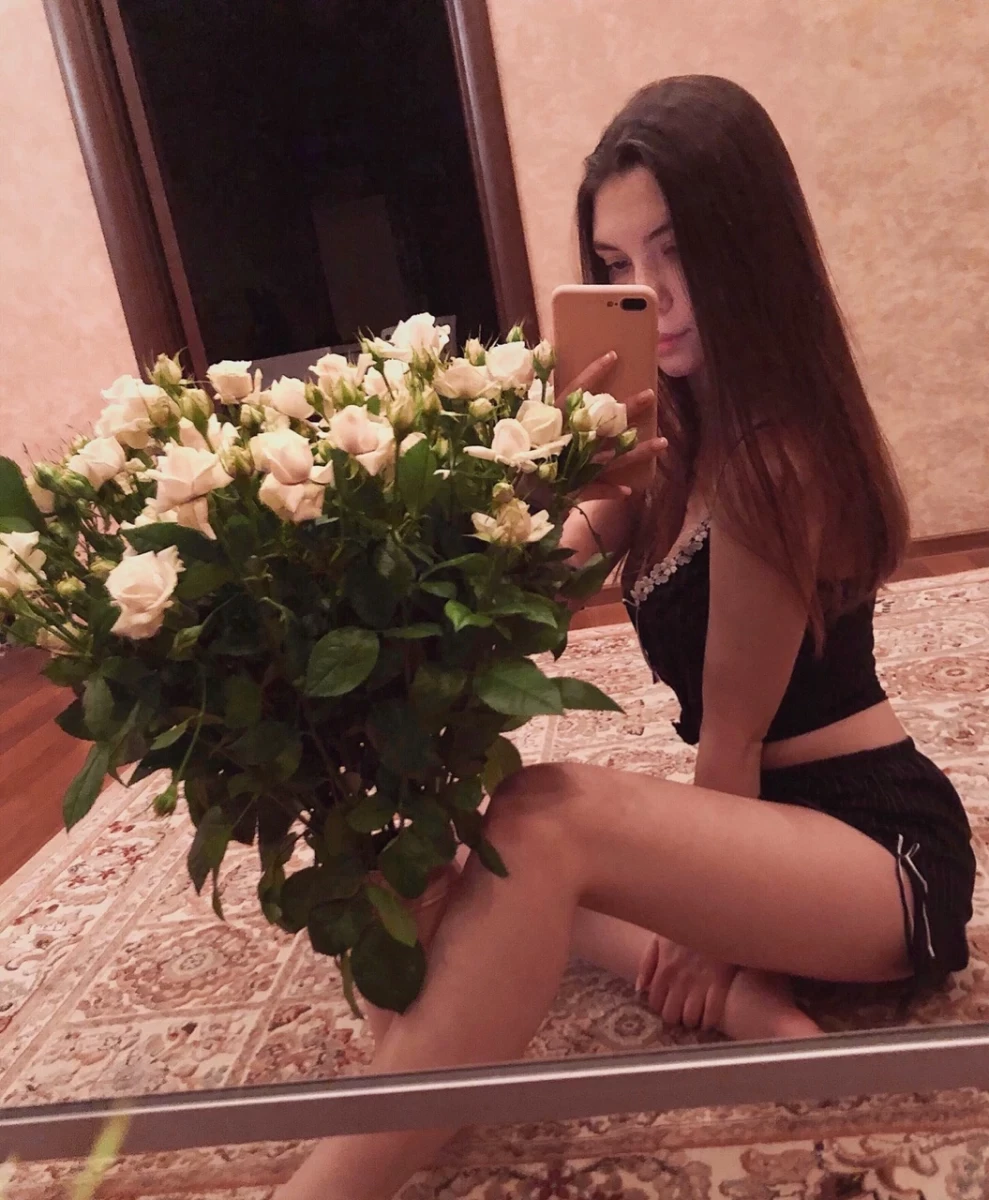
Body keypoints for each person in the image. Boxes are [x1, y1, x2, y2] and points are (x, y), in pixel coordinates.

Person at [276, 75, 976, 1199]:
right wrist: (570, 466)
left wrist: (710, 931)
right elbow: (516, 602)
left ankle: (322, 1188)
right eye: (615, 266)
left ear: (749, 246)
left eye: (676, 250)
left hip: (874, 849)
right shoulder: (667, 448)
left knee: (547, 818)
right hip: (771, 837)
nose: (652, 292)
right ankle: (743, 1004)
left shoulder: (777, 461)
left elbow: (731, 743)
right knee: (467, 857)